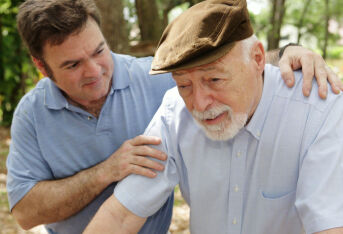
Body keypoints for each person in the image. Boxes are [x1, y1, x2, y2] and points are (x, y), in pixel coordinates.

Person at [6, 0, 342, 233]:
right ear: (42, 67)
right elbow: (114, 215)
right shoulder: (171, 105)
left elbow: (328, 225)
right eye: (72, 64)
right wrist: (105, 172)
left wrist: (290, 52)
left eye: (98, 51)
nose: (199, 103)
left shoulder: (319, 110)